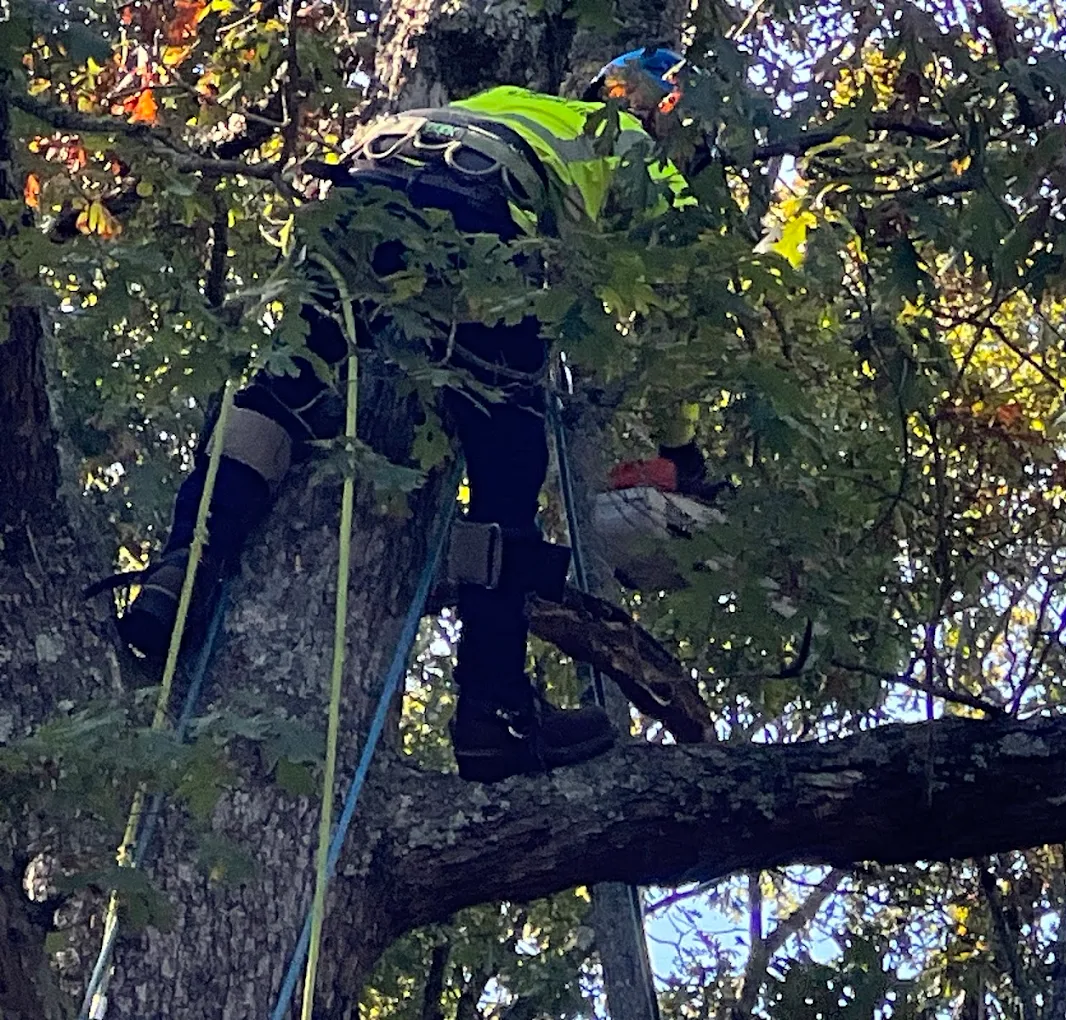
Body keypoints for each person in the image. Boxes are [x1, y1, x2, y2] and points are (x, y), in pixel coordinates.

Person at [99, 48, 710, 783]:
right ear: (665, 113)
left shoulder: (518, 101)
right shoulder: (637, 150)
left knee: (293, 383)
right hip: (474, 207)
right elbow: (681, 312)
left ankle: (182, 571)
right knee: (509, 457)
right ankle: (493, 710)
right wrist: (682, 449)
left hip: (363, 181)